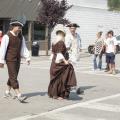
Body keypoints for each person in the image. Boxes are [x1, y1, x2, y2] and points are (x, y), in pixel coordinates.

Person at [0, 19, 30, 102]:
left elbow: (23, 48)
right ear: (13, 27)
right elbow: (2, 49)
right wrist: (1, 61)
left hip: (17, 59)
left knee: (13, 76)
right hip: (10, 59)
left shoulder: (21, 36)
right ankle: (19, 94)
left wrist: (27, 57)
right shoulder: (7, 36)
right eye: (18, 26)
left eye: (20, 27)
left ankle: (7, 92)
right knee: (13, 76)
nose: (20, 28)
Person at [48, 27, 77, 100]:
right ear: (62, 35)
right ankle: (58, 95)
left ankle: (54, 94)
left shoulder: (54, 42)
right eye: (63, 35)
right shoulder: (61, 42)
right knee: (66, 72)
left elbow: (52, 53)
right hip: (59, 63)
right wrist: (65, 61)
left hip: (54, 62)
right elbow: (59, 53)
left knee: (56, 78)